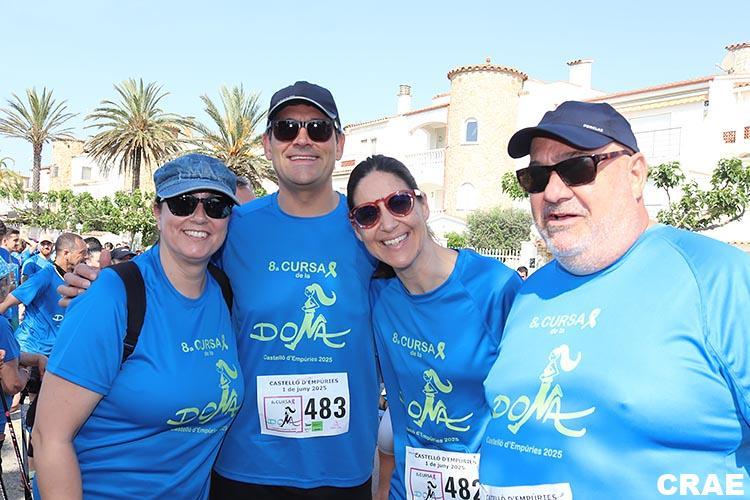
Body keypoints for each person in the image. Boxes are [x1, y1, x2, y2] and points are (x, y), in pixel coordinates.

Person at [59, 82, 379, 500]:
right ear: (267, 144)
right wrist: (101, 284)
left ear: (339, 143)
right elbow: (170, 271)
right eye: (286, 128)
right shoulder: (233, 224)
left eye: (317, 128)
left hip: (342, 468)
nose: (302, 139)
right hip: (245, 467)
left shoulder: (370, 226)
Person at [479, 101, 750, 498]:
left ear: (635, 175)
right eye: (536, 177)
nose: (553, 192)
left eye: (578, 168)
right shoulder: (530, 292)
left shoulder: (720, 278)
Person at [33, 154, 244, 499]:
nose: (199, 216)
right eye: (183, 203)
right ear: (157, 212)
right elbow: (49, 438)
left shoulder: (224, 293)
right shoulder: (112, 295)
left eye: (216, 206)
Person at [347, 155, 521, 500]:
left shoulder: (494, 288)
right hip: (409, 489)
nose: (388, 224)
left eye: (398, 203)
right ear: (358, 230)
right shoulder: (377, 297)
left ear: (423, 205)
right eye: (368, 214)